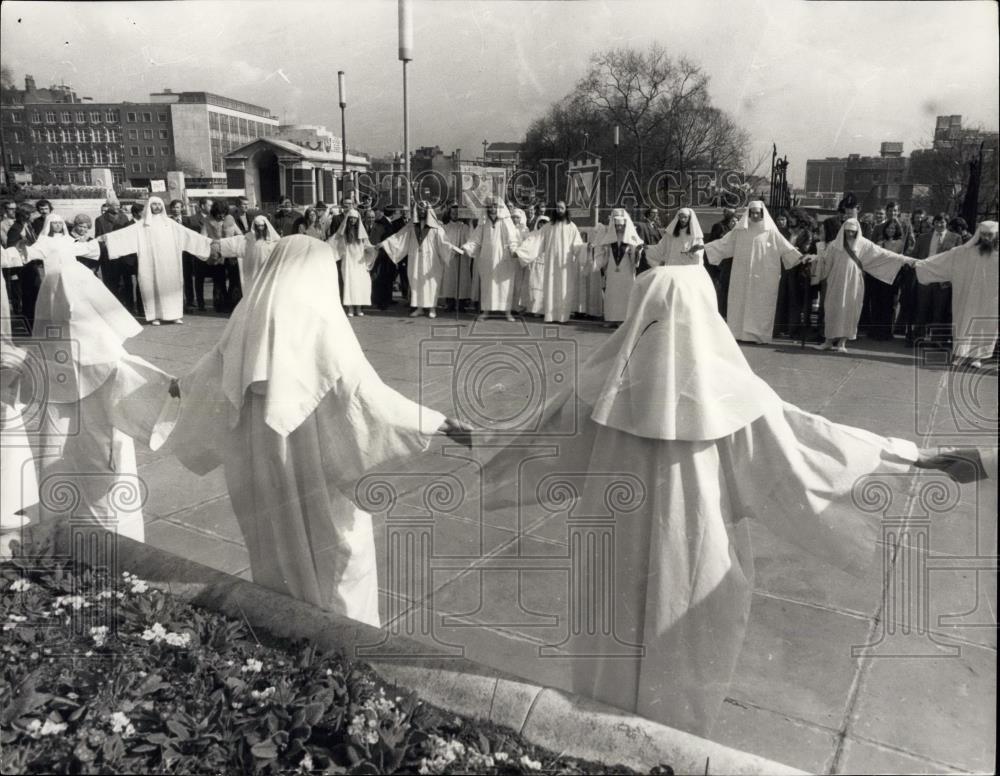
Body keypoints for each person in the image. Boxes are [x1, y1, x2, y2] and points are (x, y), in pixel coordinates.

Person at [480, 265, 919, 737]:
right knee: (681, 648)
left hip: (611, 543)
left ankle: (604, 740)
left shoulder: (601, 382)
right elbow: (805, 451)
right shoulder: (734, 394)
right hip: (691, 547)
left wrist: (478, 443)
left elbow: (543, 442)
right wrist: (900, 455)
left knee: (609, 638)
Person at [152, 235, 471, 626]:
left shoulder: (247, 313)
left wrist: (181, 385)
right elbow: (362, 394)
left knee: (276, 543)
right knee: (335, 548)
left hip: (259, 457)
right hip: (311, 459)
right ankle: (341, 639)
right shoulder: (320, 317)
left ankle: (282, 625)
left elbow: (210, 372)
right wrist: (435, 421)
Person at [23, 240, 173, 545]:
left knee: (65, 508)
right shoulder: (110, 359)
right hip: (100, 463)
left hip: (56, 472)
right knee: (108, 514)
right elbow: (156, 401)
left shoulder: (35, 360)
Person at [703, 201, 804, 343]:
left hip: (763, 276)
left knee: (760, 304)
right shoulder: (740, 231)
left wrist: (800, 257)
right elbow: (724, 244)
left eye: (758, 213)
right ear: (748, 214)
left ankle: (759, 335)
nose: (755, 216)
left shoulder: (770, 232)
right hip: (741, 275)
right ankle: (738, 333)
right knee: (740, 302)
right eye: (753, 213)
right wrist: (703, 247)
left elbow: (785, 248)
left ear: (762, 214)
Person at [103, 196, 213, 326]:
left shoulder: (170, 223)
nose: (157, 207)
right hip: (150, 263)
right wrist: (108, 238)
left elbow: (187, 234)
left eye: (159, 204)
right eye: (154, 204)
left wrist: (208, 242)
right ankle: (154, 315)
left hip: (170, 261)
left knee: (171, 286)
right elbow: (125, 234)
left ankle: (174, 314)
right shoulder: (142, 225)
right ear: (149, 206)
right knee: (152, 286)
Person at [809, 218, 915, 352]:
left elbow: (884, 254)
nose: (850, 234)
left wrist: (906, 260)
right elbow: (826, 263)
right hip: (835, 281)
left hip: (854, 281)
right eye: (847, 231)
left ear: (857, 231)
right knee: (832, 309)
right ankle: (828, 341)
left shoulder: (864, 244)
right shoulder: (834, 245)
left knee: (850, 309)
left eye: (853, 232)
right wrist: (818, 266)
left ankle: (842, 343)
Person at [914, 221, 998, 370]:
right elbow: (945, 260)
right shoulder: (964, 253)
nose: (986, 238)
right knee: (963, 321)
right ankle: (959, 355)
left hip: (989, 299)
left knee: (984, 325)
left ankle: (977, 357)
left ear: (995, 236)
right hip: (967, 295)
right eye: (983, 234)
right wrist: (921, 264)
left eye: (989, 235)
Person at [378, 201, 457, 319]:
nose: (421, 211)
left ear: (428, 211)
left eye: (424, 209)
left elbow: (444, 242)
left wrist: (453, 249)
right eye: (419, 209)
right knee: (416, 281)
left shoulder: (436, 227)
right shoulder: (411, 226)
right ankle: (419, 308)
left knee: (431, 283)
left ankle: (432, 308)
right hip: (415, 259)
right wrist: (384, 244)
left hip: (432, 260)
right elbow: (399, 237)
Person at [511, 201, 582, 324]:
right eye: (557, 208)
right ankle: (550, 316)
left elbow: (578, 245)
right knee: (550, 288)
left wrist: (587, 249)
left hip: (565, 265)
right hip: (551, 265)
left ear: (566, 210)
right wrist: (521, 252)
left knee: (564, 288)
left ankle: (562, 317)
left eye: (562, 208)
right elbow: (536, 240)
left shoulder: (572, 227)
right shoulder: (548, 227)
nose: (559, 210)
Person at [463, 198, 522, 322]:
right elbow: (476, 239)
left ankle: (507, 312)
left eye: (495, 206)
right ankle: (486, 311)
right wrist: (467, 247)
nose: (492, 208)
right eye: (489, 206)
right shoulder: (483, 222)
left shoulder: (506, 221)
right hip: (487, 258)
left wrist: (513, 250)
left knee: (505, 285)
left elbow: (512, 238)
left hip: (503, 258)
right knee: (487, 285)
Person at [910, 213, 962, 347]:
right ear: (933, 224)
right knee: (922, 308)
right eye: (937, 222)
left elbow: (958, 260)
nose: (939, 225)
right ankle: (917, 338)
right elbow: (915, 255)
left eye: (942, 222)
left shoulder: (955, 238)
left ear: (947, 223)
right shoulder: (923, 238)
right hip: (925, 278)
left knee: (939, 310)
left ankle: (937, 340)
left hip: (943, 280)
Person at [594, 208, 643, 326]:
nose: (619, 228)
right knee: (612, 293)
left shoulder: (631, 238)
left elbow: (636, 255)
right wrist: (602, 253)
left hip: (626, 270)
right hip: (612, 270)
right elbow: (603, 255)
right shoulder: (609, 239)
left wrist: (636, 252)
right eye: (617, 226)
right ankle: (611, 319)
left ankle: (624, 320)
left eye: (621, 226)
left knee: (625, 293)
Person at [213, 215, 281, 292]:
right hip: (254, 270)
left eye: (262, 226)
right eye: (257, 226)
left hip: (268, 271)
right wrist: (220, 242)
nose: (260, 228)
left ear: (266, 226)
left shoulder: (275, 241)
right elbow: (235, 243)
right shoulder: (248, 240)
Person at [328, 208, 376, 317]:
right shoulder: (343, 234)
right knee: (349, 284)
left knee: (360, 284)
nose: (353, 221)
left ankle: (358, 308)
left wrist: (374, 249)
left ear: (358, 220)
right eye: (351, 219)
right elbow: (333, 243)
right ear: (348, 219)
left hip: (360, 262)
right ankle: (350, 308)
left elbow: (367, 246)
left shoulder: (362, 234)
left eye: (355, 219)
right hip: (348, 262)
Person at [438, 203, 473, 313]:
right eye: (453, 213)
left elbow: (470, 240)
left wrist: (463, 248)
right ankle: (450, 303)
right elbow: (443, 241)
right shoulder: (445, 227)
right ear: (449, 214)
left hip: (462, 256)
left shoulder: (465, 227)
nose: (455, 215)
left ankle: (461, 303)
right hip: (450, 256)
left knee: (462, 279)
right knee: (450, 279)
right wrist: (451, 249)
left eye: (457, 213)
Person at [706, 207, 737, 315]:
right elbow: (713, 243)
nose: (730, 214)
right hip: (723, 263)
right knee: (723, 288)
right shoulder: (719, 226)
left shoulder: (739, 231)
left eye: (732, 213)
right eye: (728, 212)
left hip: (736, 263)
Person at [368, 206, 398, 311]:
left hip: (387, 255)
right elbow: (375, 239)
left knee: (387, 277)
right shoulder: (382, 223)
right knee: (381, 278)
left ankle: (387, 298)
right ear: (393, 213)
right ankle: (381, 301)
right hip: (382, 255)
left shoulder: (384, 222)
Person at [509, 208, 532, 314]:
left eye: (517, 217)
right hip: (508, 259)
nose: (514, 219)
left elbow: (527, 243)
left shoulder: (524, 230)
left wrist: (519, 252)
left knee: (518, 283)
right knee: (508, 283)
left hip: (518, 259)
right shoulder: (507, 228)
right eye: (513, 217)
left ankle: (516, 306)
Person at [634, 207, 663, 274]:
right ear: (648, 214)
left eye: (657, 213)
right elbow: (640, 241)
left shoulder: (655, 226)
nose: (656, 215)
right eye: (654, 213)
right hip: (646, 257)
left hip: (655, 256)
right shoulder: (641, 225)